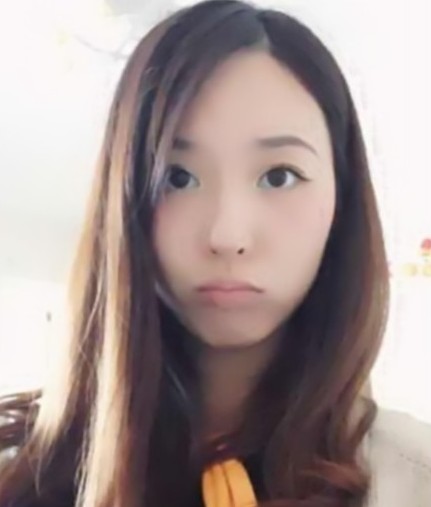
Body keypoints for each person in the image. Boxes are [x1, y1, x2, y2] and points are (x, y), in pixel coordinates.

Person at [0, 0, 430, 506]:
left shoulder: (413, 481)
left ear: (343, 197)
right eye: (177, 178)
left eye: (279, 176)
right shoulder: (19, 472)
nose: (227, 234)